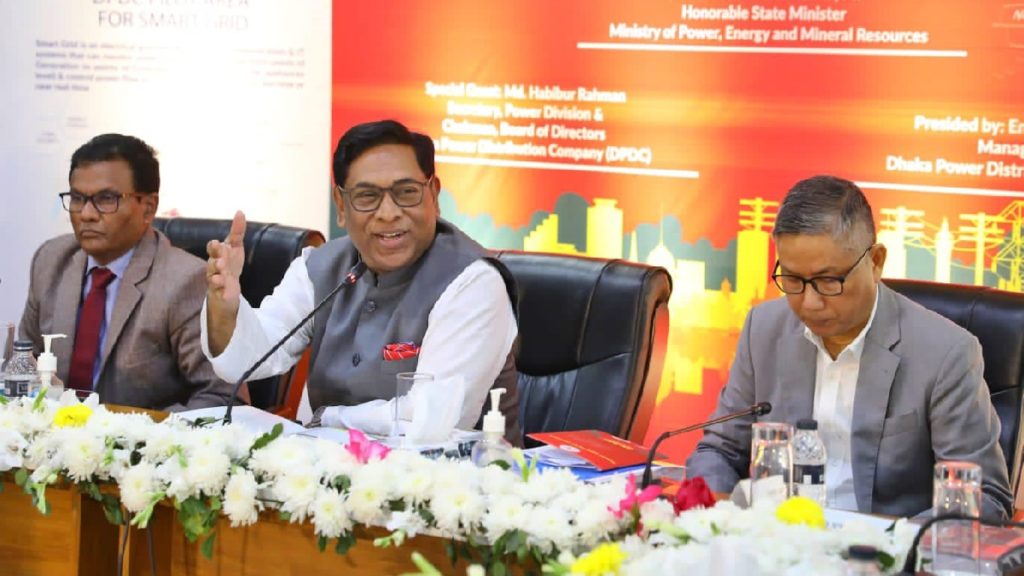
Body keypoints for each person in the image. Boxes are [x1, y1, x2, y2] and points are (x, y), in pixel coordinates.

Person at [687, 175, 1012, 519]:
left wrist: (896, 542)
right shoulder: (764, 329)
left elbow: (984, 497)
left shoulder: (945, 353)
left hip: (888, 547)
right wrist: (715, 519)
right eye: (793, 280)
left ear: (875, 262)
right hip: (778, 540)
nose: (809, 303)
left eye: (829, 281)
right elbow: (719, 451)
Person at [202, 119, 521, 443]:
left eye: (407, 192)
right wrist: (225, 308)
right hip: (326, 464)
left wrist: (327, 418)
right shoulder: (319, 266)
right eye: (367, 196)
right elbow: (251, 358)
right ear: (341, 206)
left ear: (433, 195)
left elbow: (428, 420)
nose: (388, 212)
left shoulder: (474, 281)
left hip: (451, 472)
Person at [19, 133, 236, 410]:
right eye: (77, 198)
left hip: (143, 435)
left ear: (148, 208)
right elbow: (21, 368)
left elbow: (221, 398)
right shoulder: (51, 260)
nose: (86, 214)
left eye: (106, 199)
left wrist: (144, 433)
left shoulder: (184, 281)